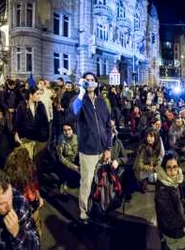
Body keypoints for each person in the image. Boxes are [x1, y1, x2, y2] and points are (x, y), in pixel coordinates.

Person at [68, 72, 111, 224]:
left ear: (97, 84)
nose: (90, 83)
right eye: (87, 80)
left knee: (102, 181)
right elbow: (72, 114)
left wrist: (108, 148)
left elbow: (107, 125)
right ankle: (83, 211)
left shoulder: (101, 102)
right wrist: (80, 92)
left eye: (92, 80)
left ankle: (100, 206)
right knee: (86, 182)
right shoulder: (79, 100)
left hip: (102, 149)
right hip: (88, 150)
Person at [133, 128, 163, 193]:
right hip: (141, 170)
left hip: (150, 168)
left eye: (151, 136)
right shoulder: (144, 149)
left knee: (158, 175)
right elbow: (139, 165)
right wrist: (149, 167)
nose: (149, 138)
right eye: (148, 136)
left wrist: (156, 166)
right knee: (152, 177)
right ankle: (142, 183)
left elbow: (158, 159)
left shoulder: (156, 147)